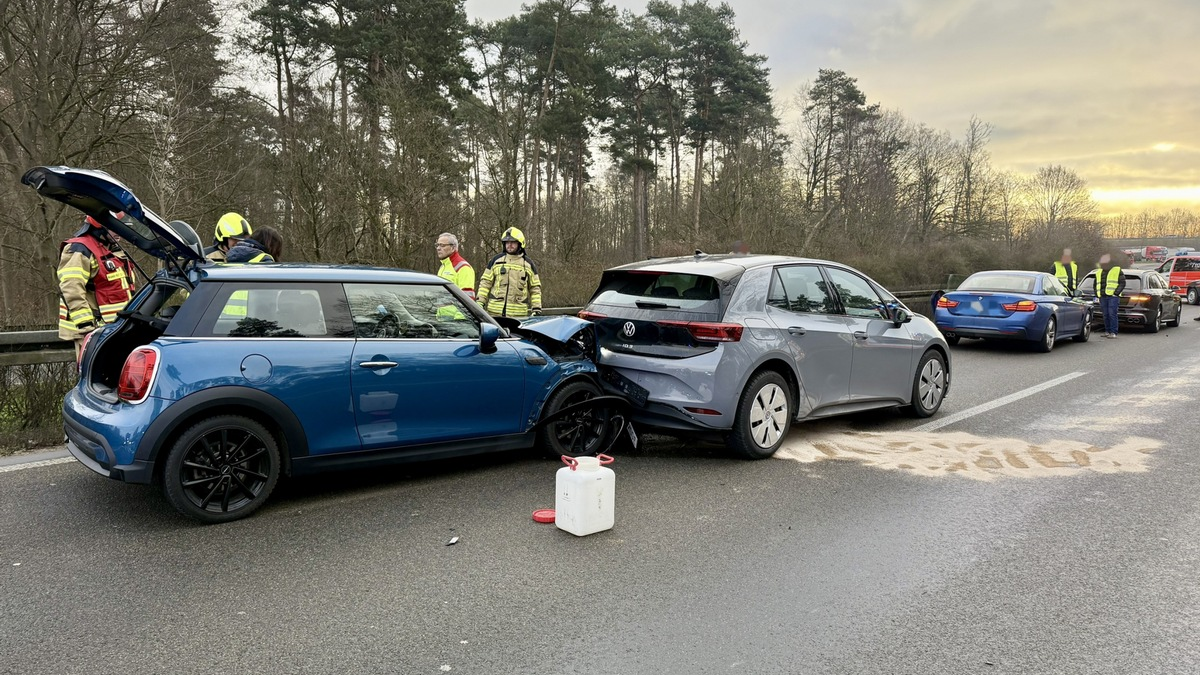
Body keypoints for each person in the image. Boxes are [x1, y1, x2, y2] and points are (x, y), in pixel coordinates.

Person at [56, 214, 137, 358]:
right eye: (114, 228)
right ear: (99, 225)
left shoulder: (113, 251)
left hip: (114, 330)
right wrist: (87, 327)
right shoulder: (79, 249)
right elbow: (71, 290)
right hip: (93, 332)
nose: (119, 232)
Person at [475, 227, 542, 319]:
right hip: (494, 314)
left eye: (513, 242)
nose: (509, 245)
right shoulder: (495, 261)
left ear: (520, 243)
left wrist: (536, 309)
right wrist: (480, 302)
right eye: (507, 242)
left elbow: (535, 289)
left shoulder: (528, 264)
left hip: (519, 316)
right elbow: (485, 283)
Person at [1093, 253, 1124, 339]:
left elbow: (1122, 283)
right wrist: (1097, 293)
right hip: (1102, 296)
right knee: (1105, 314)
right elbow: (1095, 284)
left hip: (1112, 297)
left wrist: (1116, 293)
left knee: (1112, 314)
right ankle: (1107, 331)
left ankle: (1113, 332)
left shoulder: (1117, 270)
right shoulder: (1099, 271)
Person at [435, 233, 475, 300]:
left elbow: (468, 299)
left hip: (455, 311)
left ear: (453, 248)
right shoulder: (443, 266)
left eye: (442, 245)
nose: (438, 248)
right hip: (441, 310)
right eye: (437, 245)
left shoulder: (463, 267)